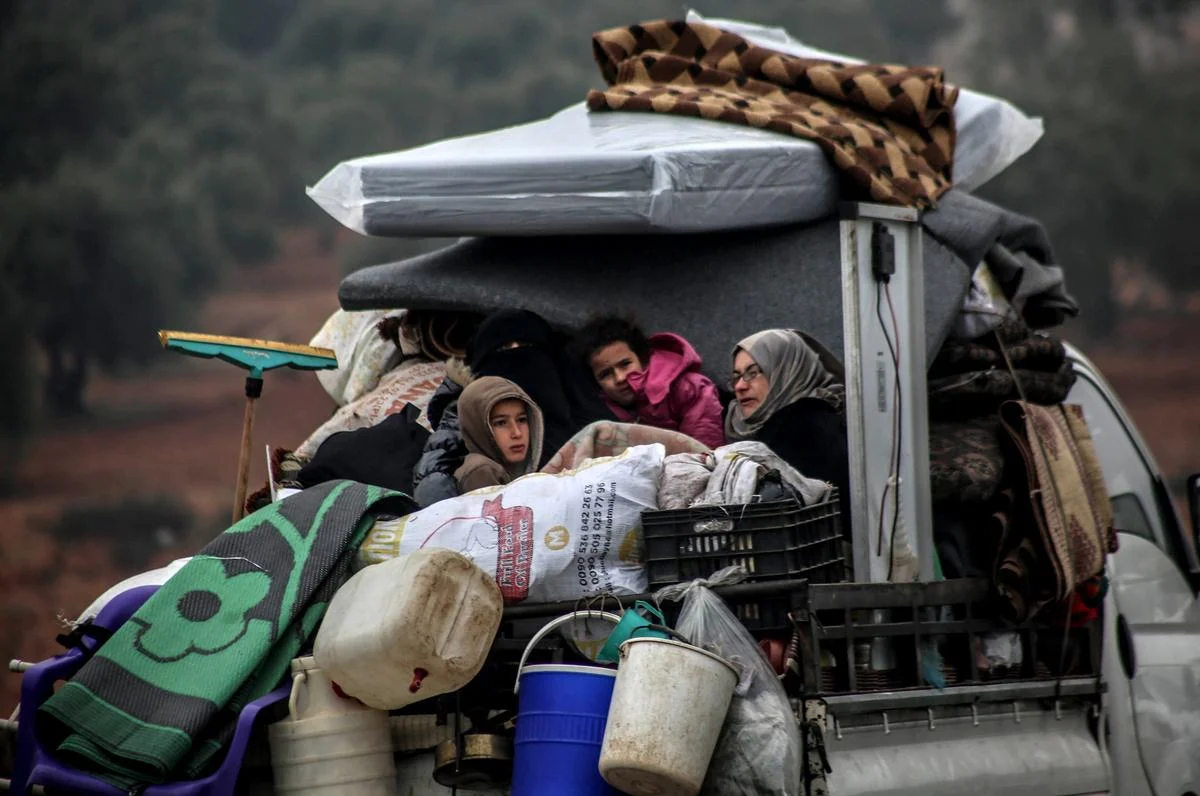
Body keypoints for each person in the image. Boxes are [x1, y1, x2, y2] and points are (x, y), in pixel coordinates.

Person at [412, 309, 611, 507]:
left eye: (527, 346)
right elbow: (435, 473)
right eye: (505, 348)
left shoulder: (580, 399)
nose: (519, 357)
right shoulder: (470, 411)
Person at [725, 329, 850, 514]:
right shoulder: (740, 424)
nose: (740, 386)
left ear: (788, 371)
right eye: (736, 377)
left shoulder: (805, 427)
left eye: (753, 373)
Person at [574, 315, 725, 449]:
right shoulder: (607, 411)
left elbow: (703, 455)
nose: (619, 378)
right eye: (606, 374)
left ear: (643, 359)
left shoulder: (691, 390)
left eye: (625, 364)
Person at [454, 377, 544, 492]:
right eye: (501, 423)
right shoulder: (481, 471)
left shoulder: (505, 467)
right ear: (477, 427)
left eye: (521, 420)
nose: (517, 433)